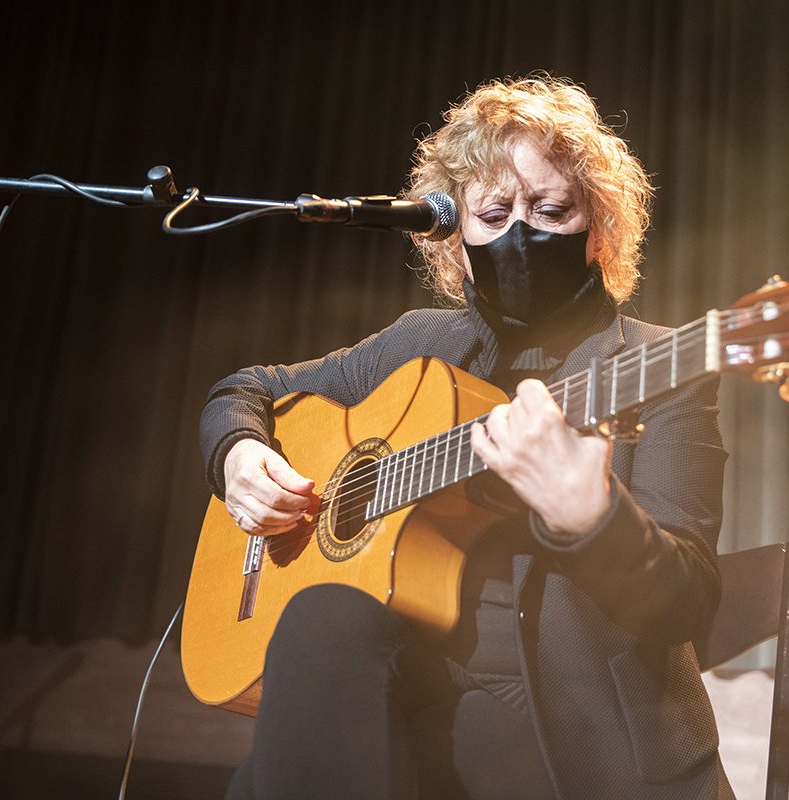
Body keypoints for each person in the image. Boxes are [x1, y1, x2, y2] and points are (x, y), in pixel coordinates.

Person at [199, 76, 733, 800]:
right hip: (404, 686)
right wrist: (237, 454)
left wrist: (592, 517)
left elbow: (687, 602)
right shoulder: (418, 346)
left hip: (569, 728)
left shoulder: (658, 367)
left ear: (600, 229)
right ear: (454, 235)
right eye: (492, 213)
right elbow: (248, 389)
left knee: (269, 778)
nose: (520, 233)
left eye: (550, 210)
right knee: (321, 616)